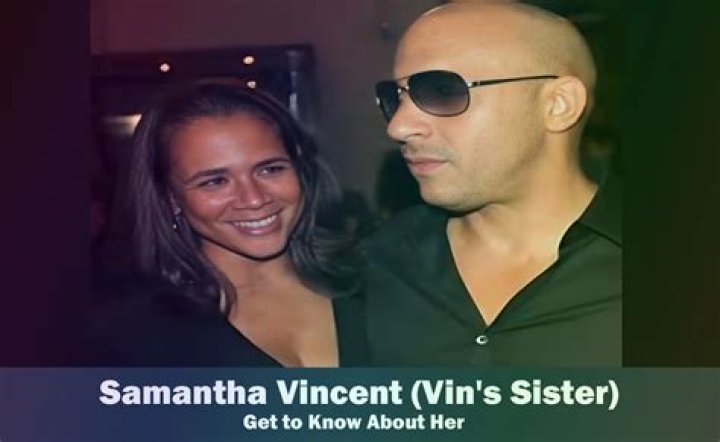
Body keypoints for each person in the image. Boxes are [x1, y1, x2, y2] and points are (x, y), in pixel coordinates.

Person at [366, 1, 621, 366]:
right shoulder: (376, 264)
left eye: (442, 90)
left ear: (559, 105)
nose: (399, 126)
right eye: (396, 97)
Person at [91, 81, 367, 367]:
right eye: (215, 181)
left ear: (301, 170)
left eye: (270, 169)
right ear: (170, 198)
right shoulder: (134, 335)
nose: (254, 199)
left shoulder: (374, 283)